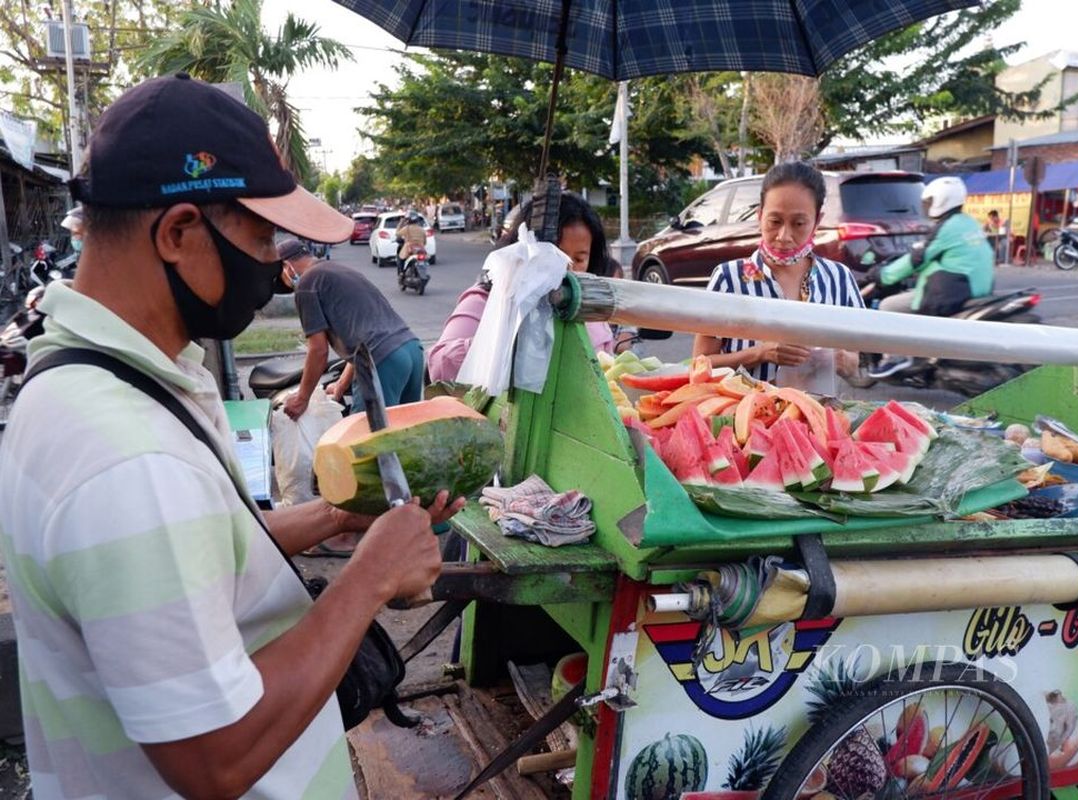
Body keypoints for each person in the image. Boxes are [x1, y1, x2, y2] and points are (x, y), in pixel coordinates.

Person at [0, 73, 462, 799]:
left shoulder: (98, 374)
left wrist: (338, 516)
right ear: (180, 233)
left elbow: (194, 553)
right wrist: (369, 576)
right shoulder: (126, 457)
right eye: (258, 234)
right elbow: (213, 758)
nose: (274, 262)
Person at [692, 160, 863, 385]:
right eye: (775, 221)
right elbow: (699, 366)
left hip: (816, 415)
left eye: (799, 223)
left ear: (817, 222)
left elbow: (854, 365)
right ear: (759, 215)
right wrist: (760, 354)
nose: (784, 236)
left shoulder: (839, 279)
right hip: (745, 416)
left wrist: (837, 359)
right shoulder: (728, 279)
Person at [428, 191, 626, 382]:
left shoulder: (589, 313)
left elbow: (607, 376)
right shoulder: (487, 299)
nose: (567, 269)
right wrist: (510, 337)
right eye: (556, 255)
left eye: (580, 258)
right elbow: (439, 365)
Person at [279, 237, 424, 420]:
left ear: (286, 266)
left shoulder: (306, 284)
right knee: (406, 434)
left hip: (382, 361)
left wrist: (302, 399)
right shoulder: (339, 270)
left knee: (366, 441)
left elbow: (318, 350)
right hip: (411, 349)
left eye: (281, 277)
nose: (287, 284)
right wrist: (341, 384)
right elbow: (359, 338)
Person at [866, 176, 994, 378]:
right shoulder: (968, 223)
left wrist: (882, 275)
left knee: (888, 306)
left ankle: (896, 357)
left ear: (942, 200)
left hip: (954, 289)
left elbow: (917, 259)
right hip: (979, 287)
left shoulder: (946, 227)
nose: (926, 206)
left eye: (929, 202)